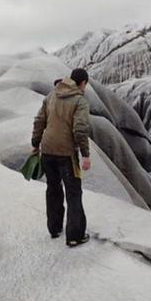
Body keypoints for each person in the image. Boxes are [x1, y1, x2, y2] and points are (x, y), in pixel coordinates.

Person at [31, 68, 93, 247]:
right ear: (82, 83)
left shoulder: (52, 95)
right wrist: (85, 155)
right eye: (85, 85)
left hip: (47, 151)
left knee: (53, 189)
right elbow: (80, 129)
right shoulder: (80, 100)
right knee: (73, 193)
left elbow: (39, 121)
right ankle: (75, 236)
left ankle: (54, 228)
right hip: (66, 155)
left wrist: (35, 144)